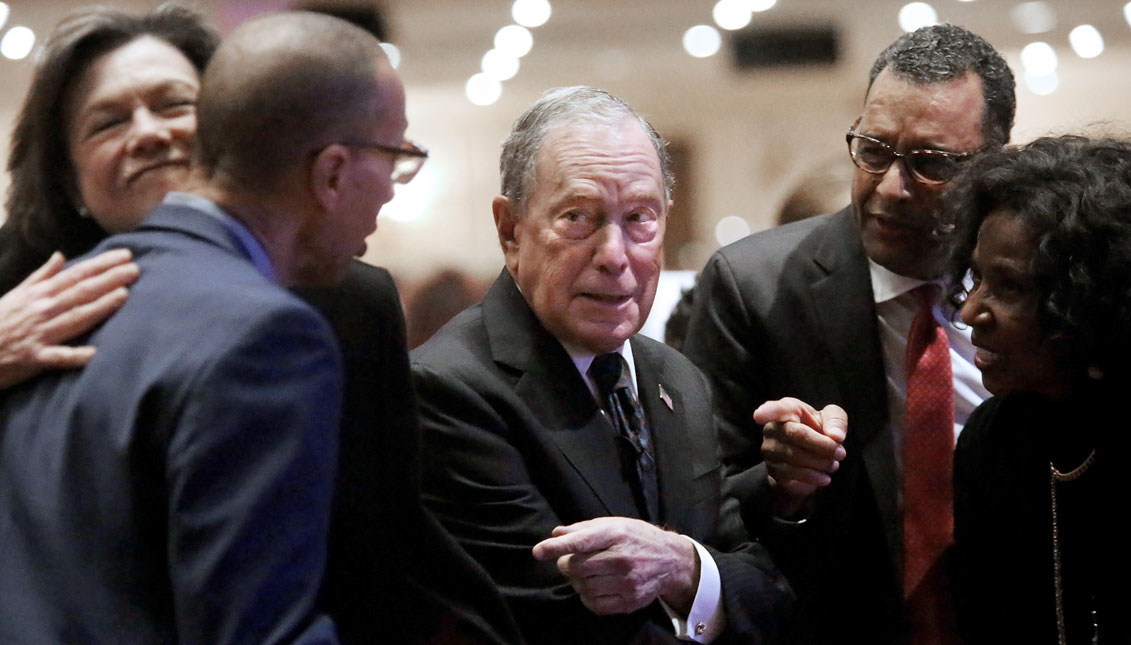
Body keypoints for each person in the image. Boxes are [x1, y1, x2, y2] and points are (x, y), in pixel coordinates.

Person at [0, 5, 519, 642]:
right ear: (331, 171)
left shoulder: (340, 298)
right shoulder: (32, 309)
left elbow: (386, 545)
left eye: (174, 105)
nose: (150, 135)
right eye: (108, 120)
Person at [412, 86, 791, 644]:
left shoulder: (675, 378)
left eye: (640, 217)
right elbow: (562, 625)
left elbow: (762, 585)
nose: (616, 255)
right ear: (510, 231)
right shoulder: (448, 389)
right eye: (578, 218)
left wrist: (685, 568)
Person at [683, 24, 1015, 642]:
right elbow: (702, 506)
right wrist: (783, 484)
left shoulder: (1031, 281)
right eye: (873, 150)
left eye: (930, 163)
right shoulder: (755, 288)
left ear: (993, 163)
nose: (891, 186)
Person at [947, 135, 1131, 645]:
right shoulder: (992, 440)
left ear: (1091, 299)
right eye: (976, 278)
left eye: (1010, 288)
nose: (970, 313)